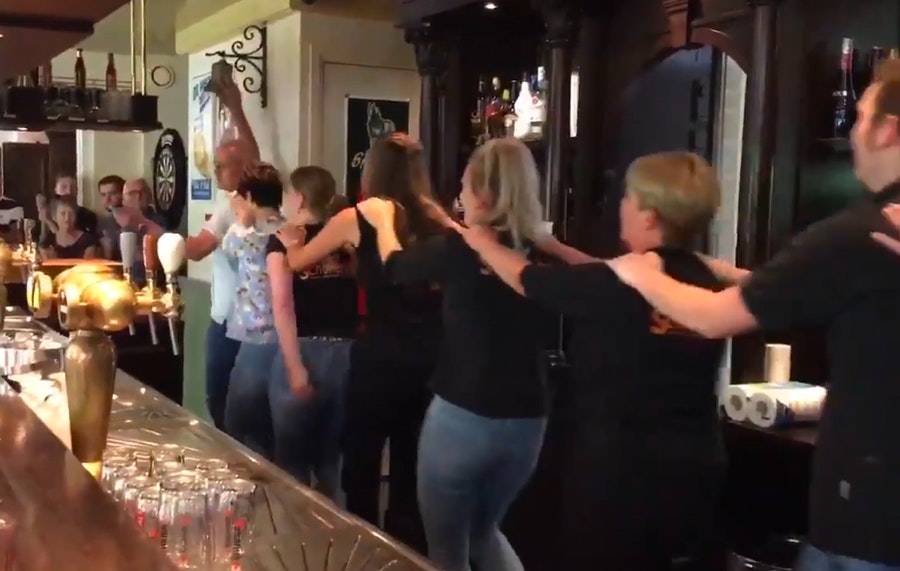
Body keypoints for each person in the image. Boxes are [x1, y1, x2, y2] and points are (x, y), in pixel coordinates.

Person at [605, 61, 900, 571]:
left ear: (887, 130)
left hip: (868, 516)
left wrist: (638, 273)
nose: (852, 132)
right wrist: (719, 270)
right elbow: (807, 289)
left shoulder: (858, 235)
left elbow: (713, 318)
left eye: (859, 117)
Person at [460, 150, 728, 570]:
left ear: (650, 217)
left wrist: (482, 243)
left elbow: (529, 280)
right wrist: (556, 247)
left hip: (620, 472)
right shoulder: (703, 281)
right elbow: (604, 272)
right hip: (696, 464)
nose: (621, 206)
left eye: (628, 198)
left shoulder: (617, 286)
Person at [364, 137, 550, 571]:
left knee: (448, 547)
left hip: (464, 414)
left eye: (464, 187)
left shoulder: (460, 248)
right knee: (485, 533)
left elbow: (396, 267)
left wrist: (383, 220)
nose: (459, 197)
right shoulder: (541, 251)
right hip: (529, 421)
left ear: (483, 193)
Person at [274, 135, 446, 550]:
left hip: (380, 357)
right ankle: (406, 552)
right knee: (409, 466)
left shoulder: (360, 216)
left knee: (361, 462)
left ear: (373, 170)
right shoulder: (435, 219)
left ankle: (364, 550)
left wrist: (291, 244)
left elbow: (297, 262)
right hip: (431, 360)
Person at [114, 84, 259, 431]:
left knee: (221, 399)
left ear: (241, 170)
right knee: (237, 402)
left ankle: (231, 453)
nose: (216, 172)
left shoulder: (233, 207)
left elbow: (193, 250)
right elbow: (253, 155)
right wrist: (235, 108)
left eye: (221, 166)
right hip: (245, 318)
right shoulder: (256, 198)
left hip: (230, 321)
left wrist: (146, 225)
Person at [248, 166, 357, 497]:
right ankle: (334, 526)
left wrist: (295, 366)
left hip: (303, 348)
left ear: (300, 197)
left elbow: (282, 305)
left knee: (292, 464)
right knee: (333, 462)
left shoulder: (282, 240)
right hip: (347, 351)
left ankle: (295, 528)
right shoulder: (344, 238)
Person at [222, 161, 290, 457]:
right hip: (288, 337)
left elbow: (228, 247)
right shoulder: (289, 230)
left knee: (240, 422)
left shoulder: (247, 237)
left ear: (249, 196)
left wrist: (240, 217)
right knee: (274, 425)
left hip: (257, 337)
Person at [37, 173, 99, 239]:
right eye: (64, 187)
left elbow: (81, 241)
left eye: (73, 187)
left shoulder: (88, 216)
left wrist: (49, 222)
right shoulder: (45, 211)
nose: (69, 191)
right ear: (55, 189)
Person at [96, 175, 125, 259]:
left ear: (123, 194)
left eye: (113, 194)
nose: (107, 199)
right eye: (103, 195)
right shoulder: (102, 223)